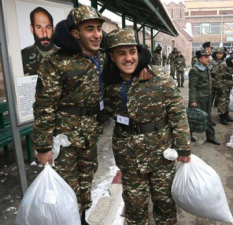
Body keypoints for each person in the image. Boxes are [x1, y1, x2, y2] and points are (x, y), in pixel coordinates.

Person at [102, 28, 191, 225]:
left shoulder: (158, 76)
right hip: (129, 154)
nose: (128, 58)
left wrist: (183, 147)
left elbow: (177, 112)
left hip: (161, 151)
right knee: (134, 204)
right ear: (112, 56)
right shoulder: (108, 81)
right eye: (121, 53)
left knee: (164, 202)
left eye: (132, 52)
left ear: (139, 52)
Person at [32, 6, 106, 225]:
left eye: (99, 29)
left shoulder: (103, 58)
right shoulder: (55, 62)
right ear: (75, 33)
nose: (97, 35)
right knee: (67, 186)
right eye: (89, 29)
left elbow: (129, 57)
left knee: (86, 182)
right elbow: (44, 105)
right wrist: (44, 146)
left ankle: (81, 219)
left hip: (89, 134)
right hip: (63, 139)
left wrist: (143, 65)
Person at [188, 49, 221, 145]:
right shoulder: (195, 70)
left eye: (209, 56)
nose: (208, 59)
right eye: (205, 57)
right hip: (198, 98)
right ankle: (187, 136)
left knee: (208, 117)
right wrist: (193, 101)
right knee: (194, 118)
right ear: (199, 58)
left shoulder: (206, 68)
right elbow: (192, 87)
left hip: (207, 98)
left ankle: (210, 136)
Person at [21, 7, 58, 76]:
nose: (44, 34)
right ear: (32, 29)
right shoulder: (23, 57)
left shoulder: (65, 55)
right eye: (39, 27)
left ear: (53, 28)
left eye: (48, 27)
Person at [215, 55, 233, 125]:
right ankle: (222, 117)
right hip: (222, 86)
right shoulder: (224, 65)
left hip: (228, 86)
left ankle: (226, 115)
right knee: (222, 102)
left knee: (227, 101)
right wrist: (219, 87)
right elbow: (218, 76)